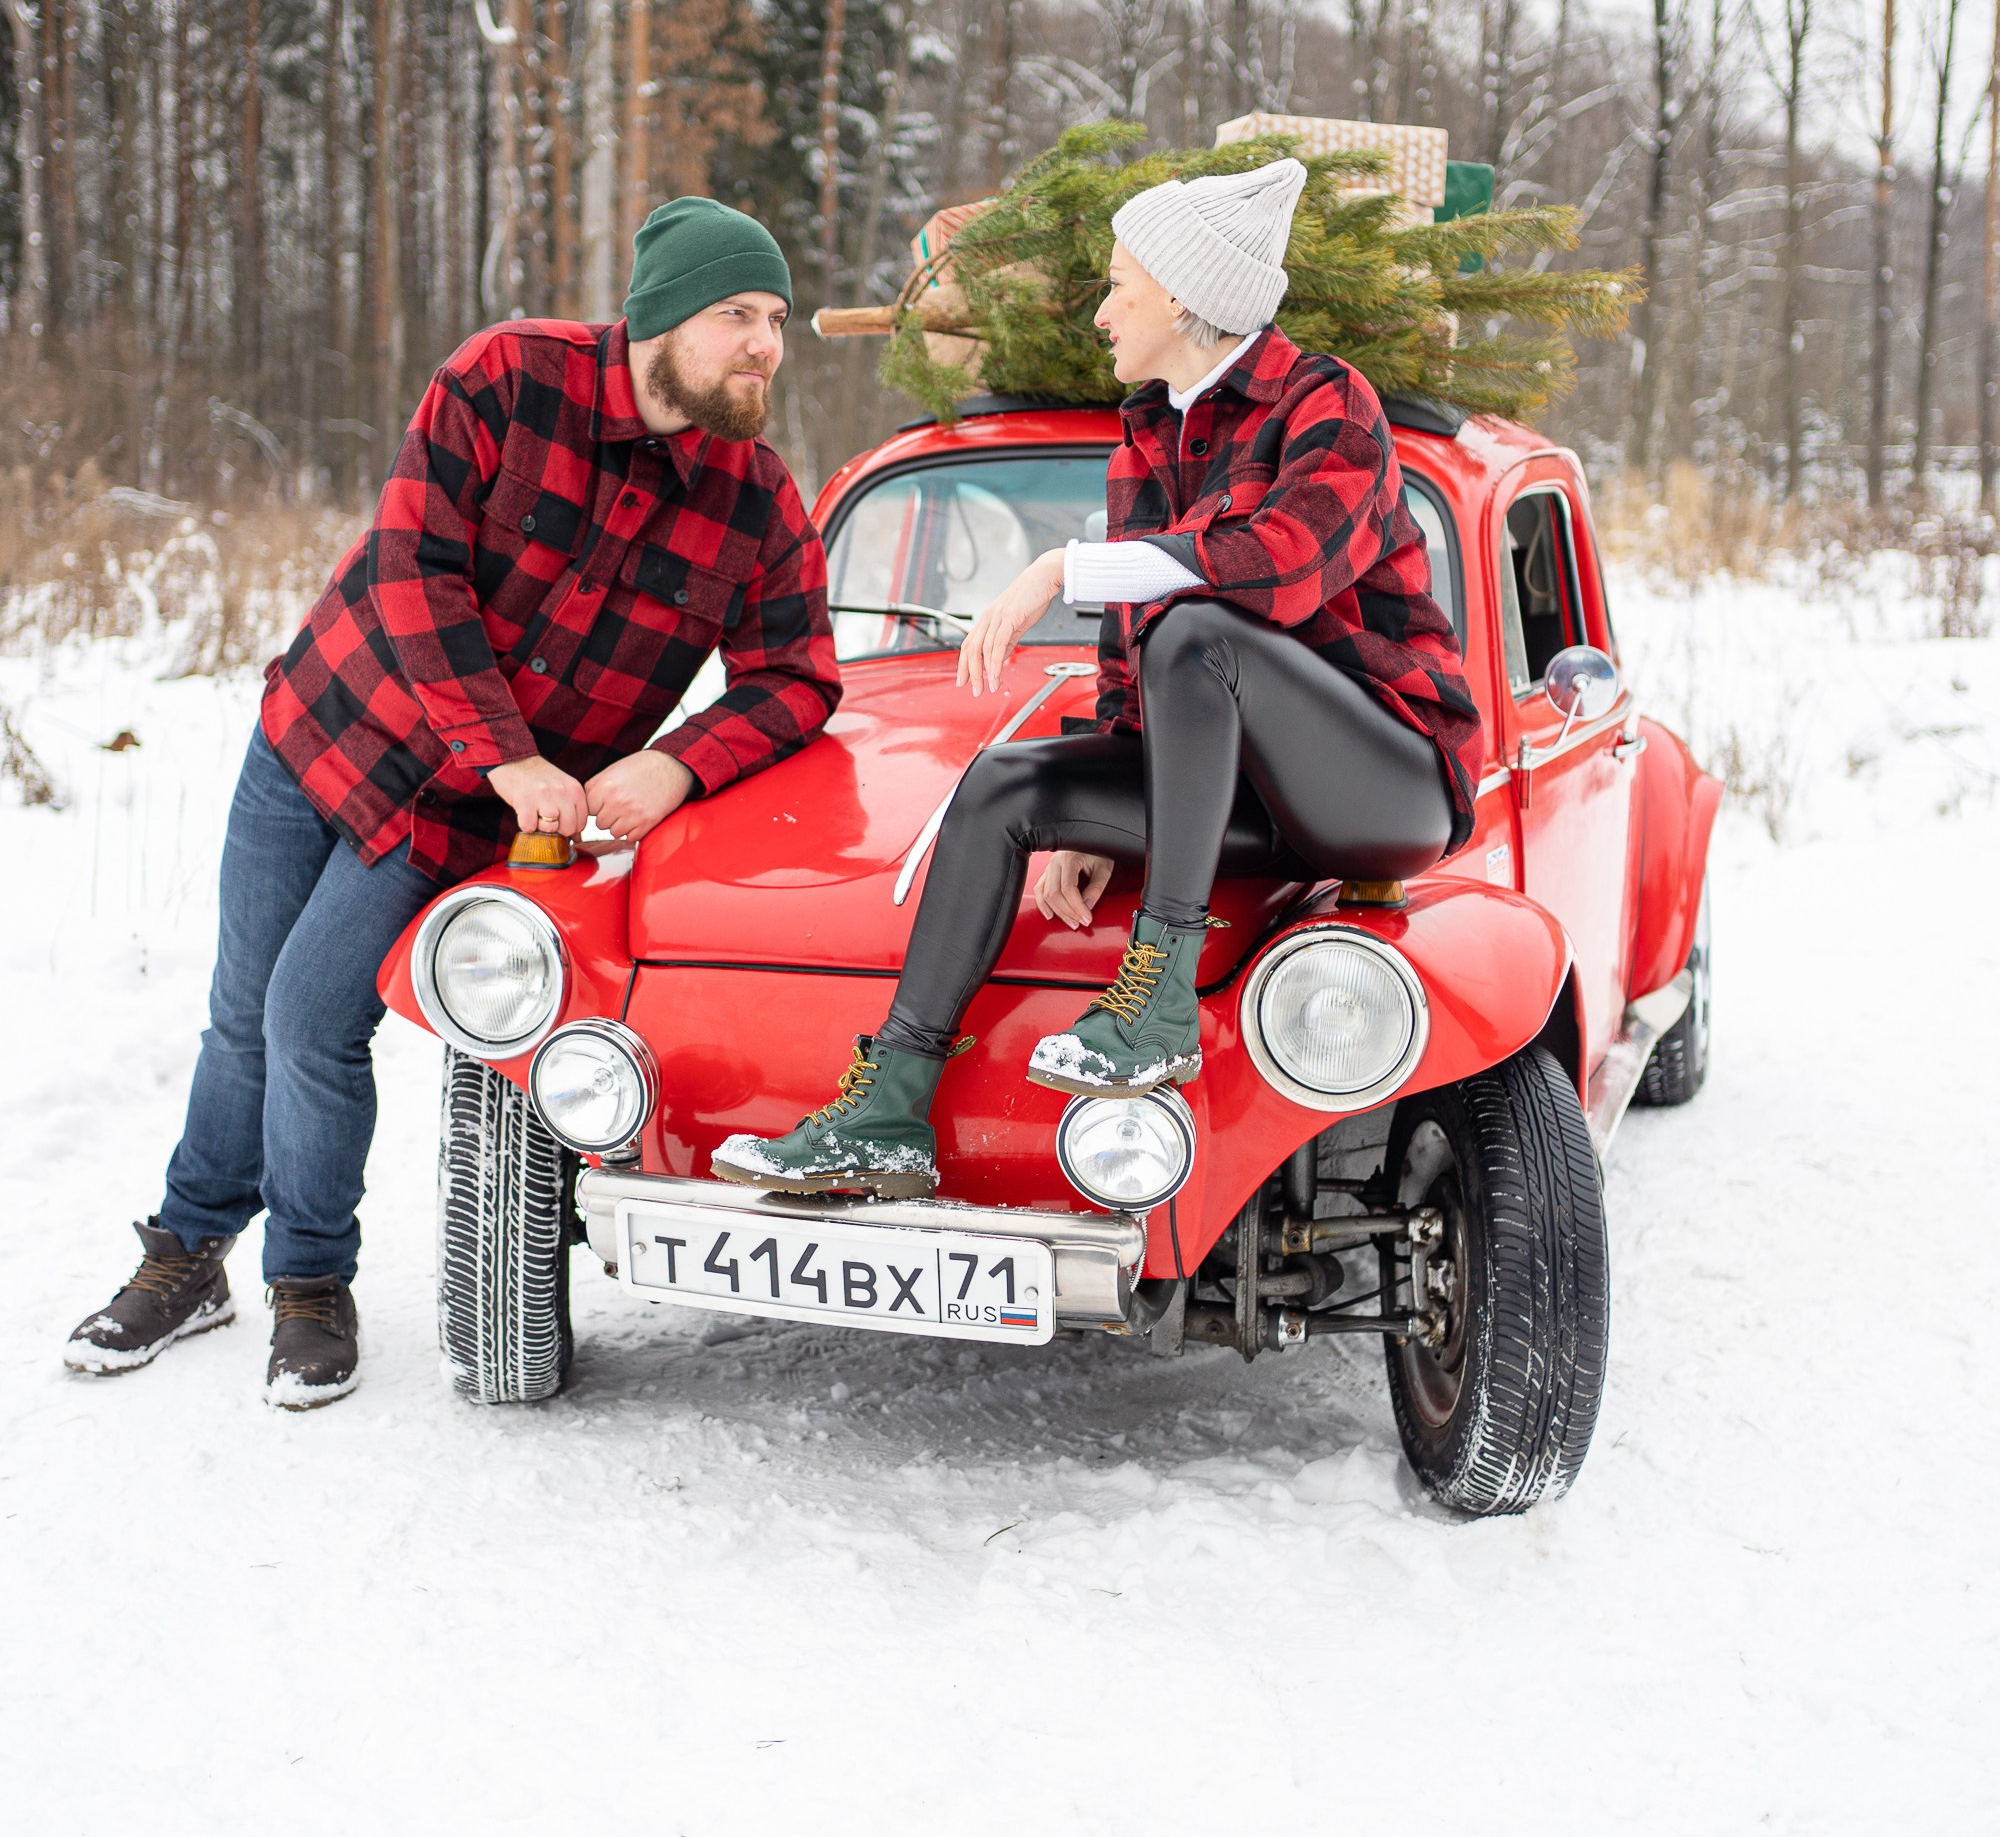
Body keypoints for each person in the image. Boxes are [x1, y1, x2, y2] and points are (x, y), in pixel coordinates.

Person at [65, 198, 839, 1407]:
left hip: (448, 818)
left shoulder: (752, 502)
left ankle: (310, 1284)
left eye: (777, 319)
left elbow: (798, 676)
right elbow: (408, 562)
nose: (765, 345)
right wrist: (507, 752)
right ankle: (183, 1257)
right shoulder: (505, 378)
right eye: (736, 313)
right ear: (659, 318)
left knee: (311, 1020)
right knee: (239, 1013)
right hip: (325, 735)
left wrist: (677, 762)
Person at [715, 157, 1481, 1199]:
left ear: (1179, 293)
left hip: (1382, 782)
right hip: (1233, 801)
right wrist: (1095, 823)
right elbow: (1130, 663)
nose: (1103, 316)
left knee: (1199, 628)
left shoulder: (1326, 400)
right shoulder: (1146, 430)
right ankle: (889, 1106)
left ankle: (1154, 1002)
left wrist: (1057, 569)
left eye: (1119, 287)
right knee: (1004, 785)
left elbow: (1283, 566)